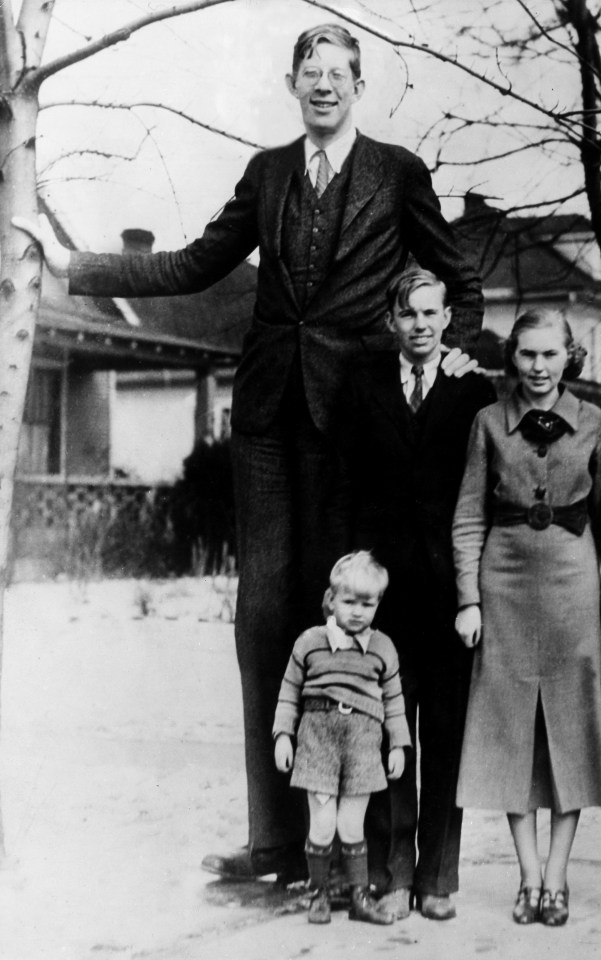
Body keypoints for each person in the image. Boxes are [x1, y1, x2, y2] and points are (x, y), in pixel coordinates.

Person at [13, 23, 483, 883]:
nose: (324, 86)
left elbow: (464, 282)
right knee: (264, 618)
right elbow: (194, 262)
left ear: (358, 83)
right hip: (266, 412)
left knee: (341, 611)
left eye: (339, 73)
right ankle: (277, 843)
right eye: (310, 73)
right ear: (291, 82)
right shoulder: (269, 172)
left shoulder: (398, 172)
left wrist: (448, 352)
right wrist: (71, 266)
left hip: (352, 419)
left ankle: (351, 846)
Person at [453, 308, 601, 927]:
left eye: (550, 354)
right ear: (513, 358)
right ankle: (527, 877)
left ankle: (558, 877)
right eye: (527, 354)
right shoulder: (488, 423)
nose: (538, 367)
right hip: (504, 587)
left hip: (573, 588)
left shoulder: (595, 423)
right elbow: (470, 513)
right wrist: (469, 599)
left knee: (572, 730)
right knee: (512, 732)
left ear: (569, 356)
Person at [336, 268, 496, 920]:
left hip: (451, 592)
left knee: (448, 734)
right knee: (388, 735)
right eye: (409, 315)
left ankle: (437, 877)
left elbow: (486, 491)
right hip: (386, 592)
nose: (421, 325)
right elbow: (344, 486)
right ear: (391, 321)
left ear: (448, 317)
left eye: (432, 313)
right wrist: (347, 577)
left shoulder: (472, 389)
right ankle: (392, 871)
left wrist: (475, 592)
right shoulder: (363, 386)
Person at [272, 551, 411, 925]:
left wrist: (398, 744)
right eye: (348, 602)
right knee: (322, 823)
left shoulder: (383, 647)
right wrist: (283, 735)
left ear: (378, 604)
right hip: (318, 738)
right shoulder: (310, 642)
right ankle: (318, 894)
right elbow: (289, 691)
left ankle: (359, 897)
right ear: (331, 599)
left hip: (363, 743)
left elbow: (394, 701)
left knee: (352, 824)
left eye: (367, 604)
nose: (357, 612)